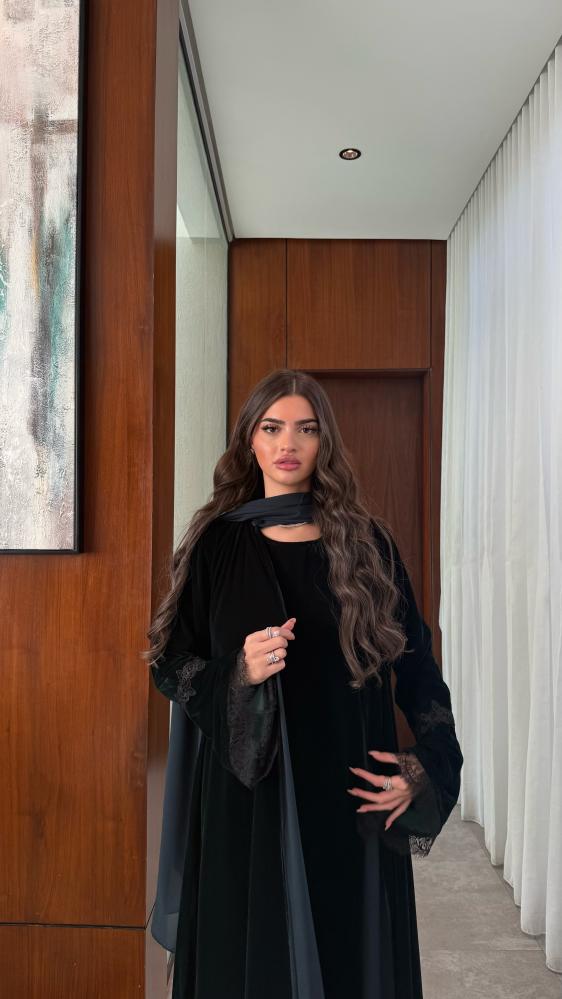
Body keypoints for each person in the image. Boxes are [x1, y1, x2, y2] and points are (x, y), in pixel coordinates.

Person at [143, 368, 463, 999]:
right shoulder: (216, 546)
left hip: (347, 796)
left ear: (325, 443)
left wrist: (425, 768)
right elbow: (170, 665)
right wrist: (240, 671)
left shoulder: (368, 546)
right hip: (249, 804)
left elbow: (419, 671)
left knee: (349, 961)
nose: (288, 443)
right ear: (250, 441)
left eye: (306, 429)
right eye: (272, 427)